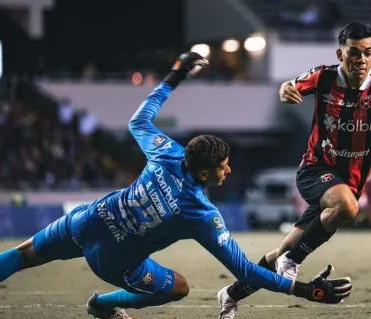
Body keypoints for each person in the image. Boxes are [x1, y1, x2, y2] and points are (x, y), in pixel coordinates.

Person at [0, 52, 352, 319]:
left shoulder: (168, 151)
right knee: (179, 288)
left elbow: (139, 119)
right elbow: (245, 271)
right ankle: (104, 306)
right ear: (203, 174)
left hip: (85, 221)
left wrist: (175, 74)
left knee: (22, 255)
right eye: (223, 167)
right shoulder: (200, 213)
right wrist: (306, 290)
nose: (228, 171)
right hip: (112, 261)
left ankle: (99, 304)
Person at [217, 21, 371, 318]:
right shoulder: (323, 77)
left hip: (349, 181)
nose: (361, 59)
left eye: (368, 53)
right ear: (340, 53)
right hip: (315, 169)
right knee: (347, 208)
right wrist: (286, 90)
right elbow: (289, 88)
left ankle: (231, 294)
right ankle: (295, 261)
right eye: (354, 52)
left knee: (278, 255)